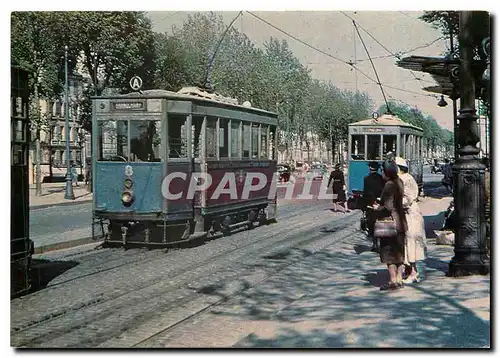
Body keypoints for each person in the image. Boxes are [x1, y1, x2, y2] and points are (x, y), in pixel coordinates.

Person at [372, 160, 408, 291]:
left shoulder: (389, 185)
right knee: (399, 252)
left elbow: (387, 206)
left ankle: (392, 281)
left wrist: (377, 208)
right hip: (401, 222)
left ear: (386, 172)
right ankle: (399, 279)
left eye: (382, 170)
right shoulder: (399, 182)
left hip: (390, 223)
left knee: (388, 253)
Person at [395, 157, 426, 284]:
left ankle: (413, 272)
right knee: (407, 243)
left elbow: (407, 199)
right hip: (408, 214)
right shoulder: (405, 178)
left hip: (410, 215)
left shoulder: (405, 179)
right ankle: (410, 271)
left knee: (410, 242)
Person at [363, 161, 385, 252]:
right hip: (379, 203)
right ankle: (381, 243)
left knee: (371, 224)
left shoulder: (366, 178)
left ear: (370, 168)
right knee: (380, 223)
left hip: (370, 204)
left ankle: (375, 244)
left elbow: (365, 192)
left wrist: (364, 205)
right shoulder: (381, 178)